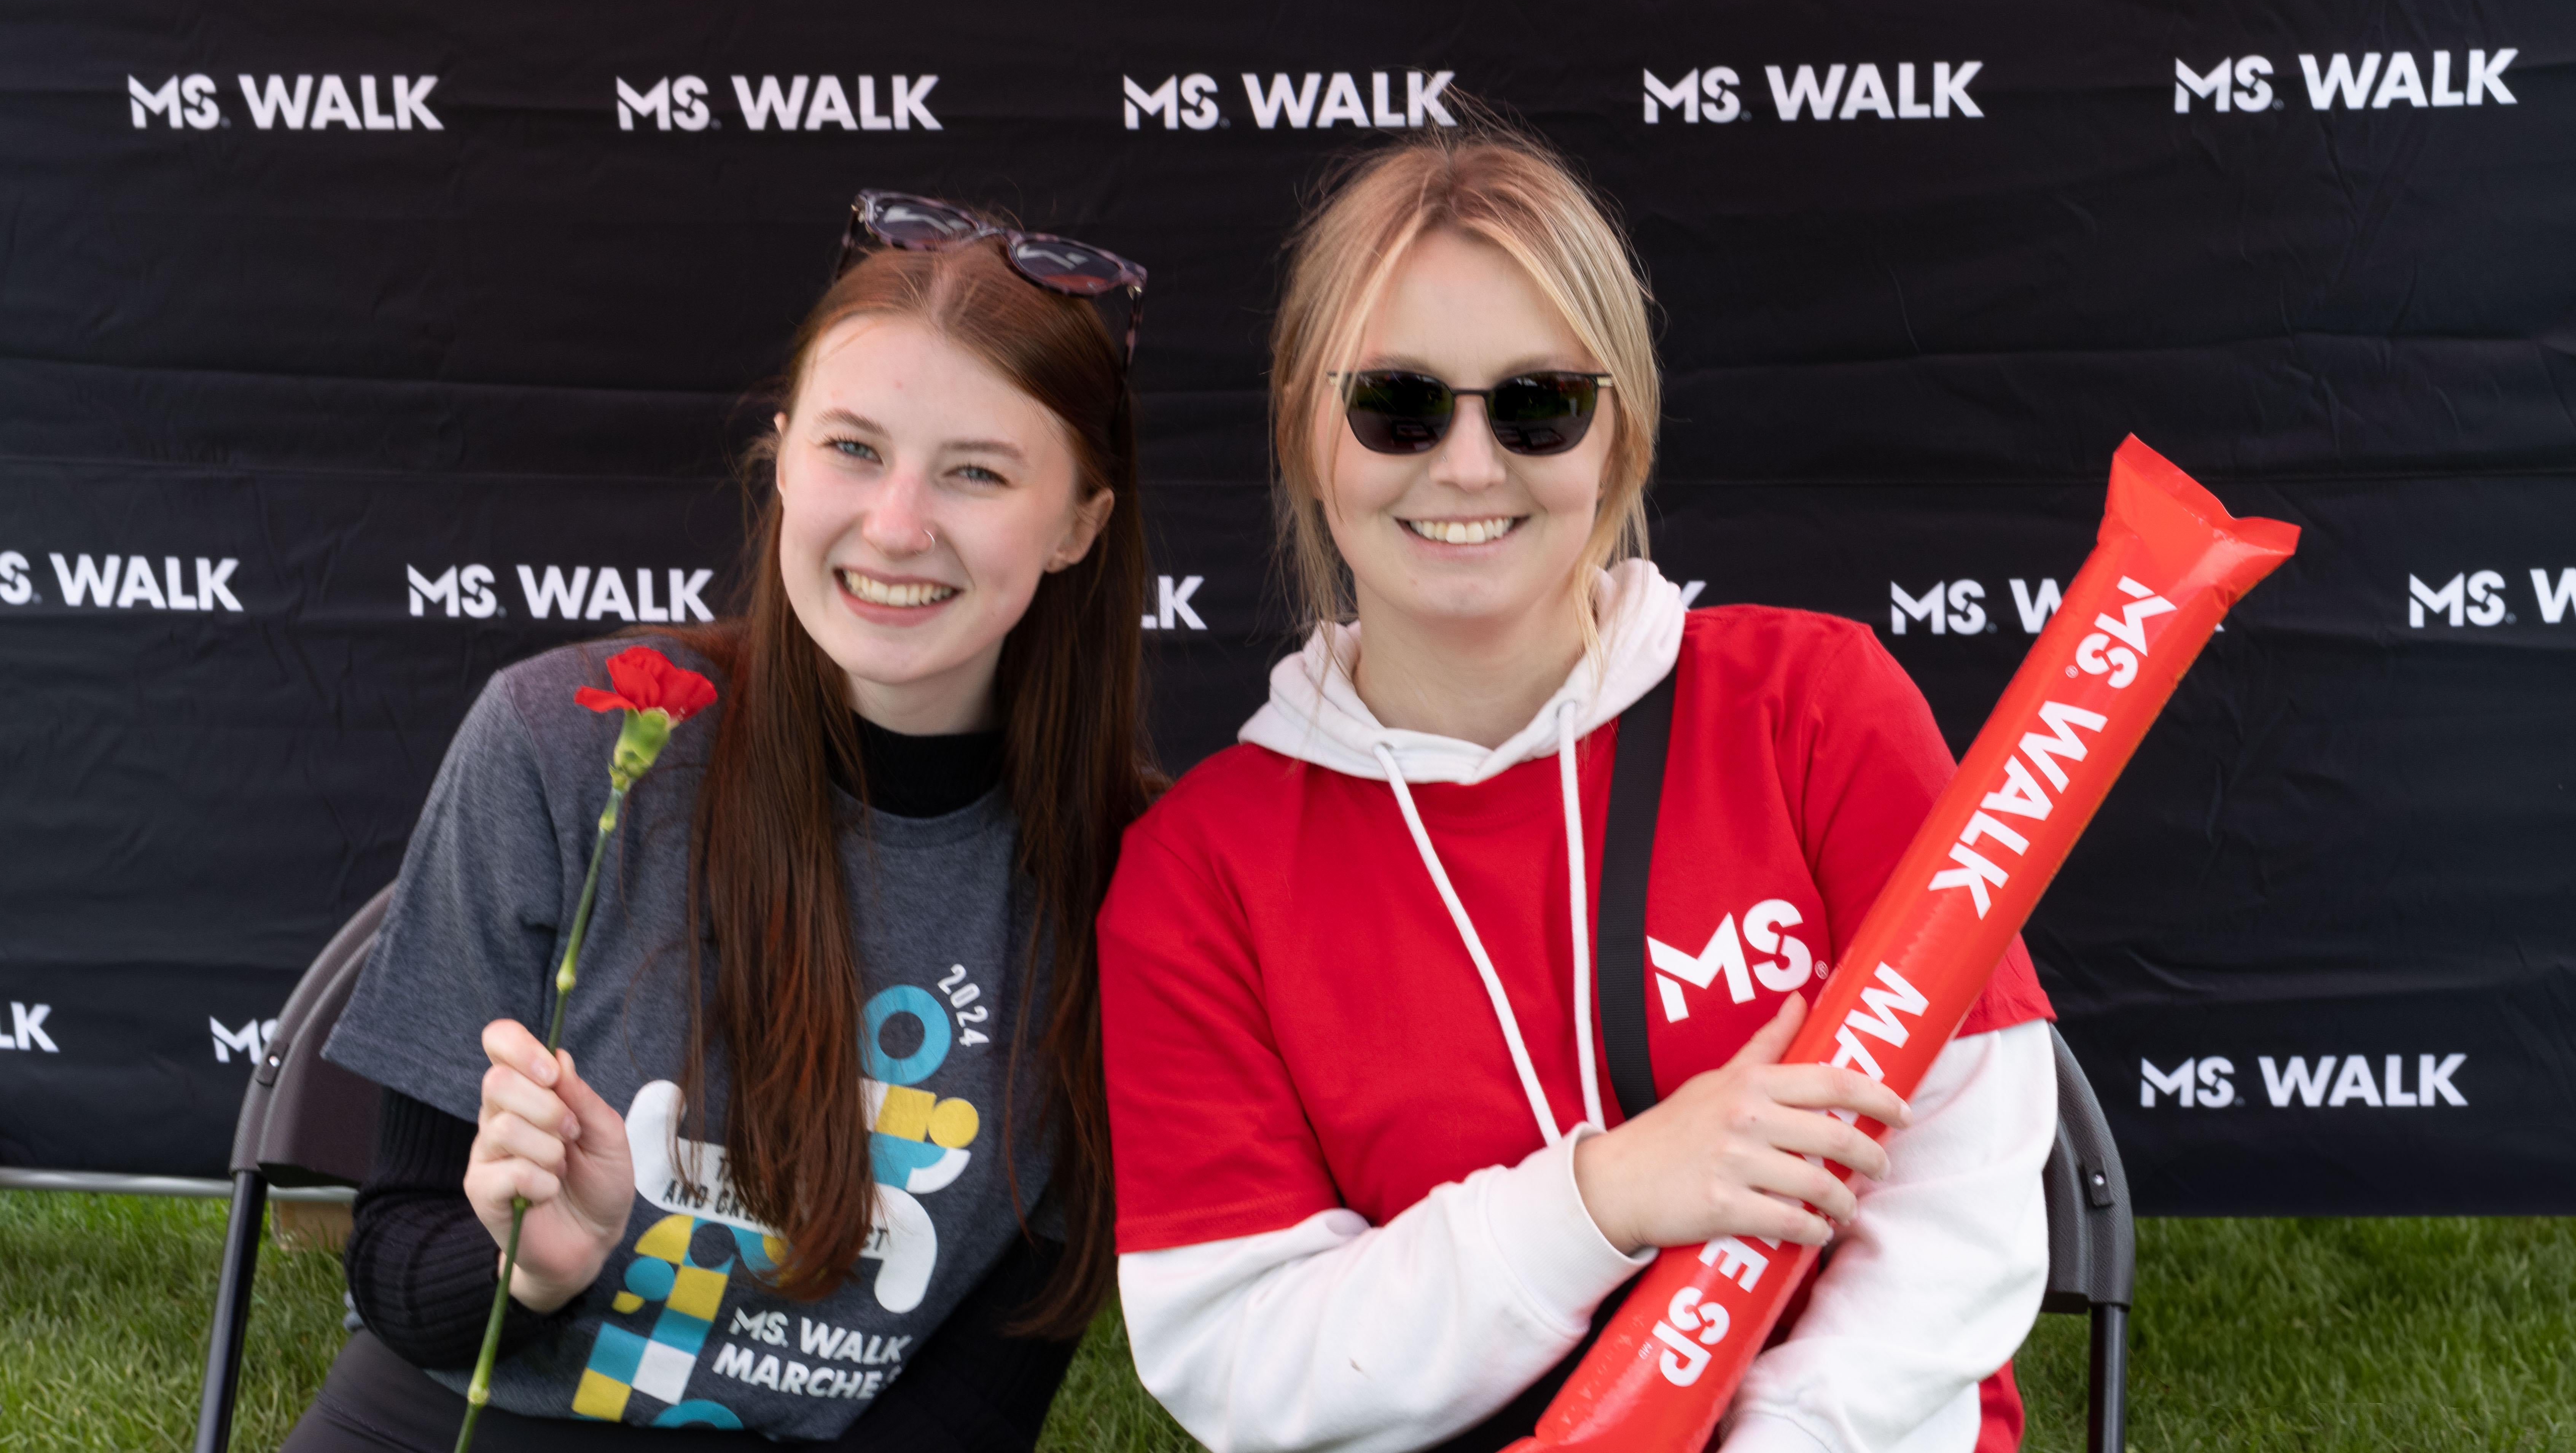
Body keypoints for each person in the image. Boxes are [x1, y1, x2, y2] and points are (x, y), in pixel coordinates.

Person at [1095, 128, 2058, 1453]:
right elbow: (1245, 1354)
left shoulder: (1815, 707)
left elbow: (1967, 1176)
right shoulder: (1200, 870)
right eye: (1399, 404)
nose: (1471, 465)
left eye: (1537, 403)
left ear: (1620, 434)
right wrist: (1600, 1199)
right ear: (1306, 432)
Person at [289, 193, 1155, 1452]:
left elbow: (986, 1387)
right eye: (853, 449)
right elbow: (395, 1269)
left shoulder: (1136, 871)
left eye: (975, 471)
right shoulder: (566, 740)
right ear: (784, 453)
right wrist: (541, 1263)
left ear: (1080, 521)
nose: (897, 524)